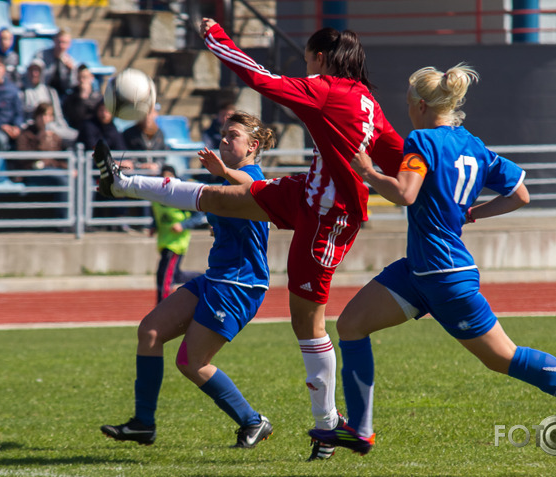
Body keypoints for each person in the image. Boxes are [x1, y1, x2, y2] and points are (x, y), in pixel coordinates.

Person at [95, 17, 405, 461]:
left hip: (327, 216)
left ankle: (328, 425)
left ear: (319, 58)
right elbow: (398, 152)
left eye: (307, 61)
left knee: (307, 324)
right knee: (221, 198)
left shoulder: (327, 90)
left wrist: (215, 38)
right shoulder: (365, 100)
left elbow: (261, 78)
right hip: (308, 191)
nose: (306, 69)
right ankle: (122, 183)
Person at [307, 64, 556, 455]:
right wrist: (473, 213)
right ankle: (359, 432)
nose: (408, 111)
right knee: (352, 325)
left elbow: (405, 194)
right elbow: (521, 195)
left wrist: (368, 171)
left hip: (444, 276)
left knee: (504, 358)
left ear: (422, 105)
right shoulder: (473, 145)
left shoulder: (421, 140)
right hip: (421, 270)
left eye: (410, 104)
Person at [99, 111, 276, 449]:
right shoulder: (227, 180)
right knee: (149, 332)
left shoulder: (250, 176)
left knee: (191, 363)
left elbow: (257, 191)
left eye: (233, 135)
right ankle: (143, 424)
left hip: (240, 286)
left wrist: (223, 172)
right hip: (216, 279)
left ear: (253, 145)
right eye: (222, 133)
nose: (224, 139)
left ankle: (254, 421)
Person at [150, 165, 205, 304]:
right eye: (163, 177)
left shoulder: (181, 196)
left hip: (177, 243)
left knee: (164, 276)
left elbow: (198, 216)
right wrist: (153, 227)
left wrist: (183, 225)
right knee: (175, 274)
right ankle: (203, 278)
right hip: (163, 241)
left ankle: (162, 306)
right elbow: (157, 216)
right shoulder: (156, 196)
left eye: (169, 177)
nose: (166, 180)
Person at [16, 102, 69, 220]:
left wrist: (68, 168)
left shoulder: (55, 137)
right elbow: (23, 157)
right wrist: (41, 139)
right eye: (43, 115)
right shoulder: (26, 134)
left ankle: (79, 220)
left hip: (53, 170)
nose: (46, 119)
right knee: (63, 180)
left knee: (77, 179)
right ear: (36, 117)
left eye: (49, 116)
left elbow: (58, 158)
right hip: (31, 171)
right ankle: (63, 220)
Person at [21, 58, 78, 147]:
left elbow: (58, 115)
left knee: (75, 136)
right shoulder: (22, 93)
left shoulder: (50, 92)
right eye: (31, 70)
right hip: (32, 128)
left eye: (37, 71)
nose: (34, 74)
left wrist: (62, 127)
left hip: (52, 126)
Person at [36, 29, 77, 101]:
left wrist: (70, 71)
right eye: (59, 42)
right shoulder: (42, 55)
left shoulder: (69, 61)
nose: (61, 46)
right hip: (43, 91)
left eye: (64, 43)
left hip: (61, 95)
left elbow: (71, 85)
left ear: (69, 44)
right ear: (54, 41)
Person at [62, 64, 103, 131]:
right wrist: (82, 97)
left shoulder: (98, 97)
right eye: (79, 77)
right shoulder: (71, 97)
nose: (82, 80)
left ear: (91, 78)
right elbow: (75, 118)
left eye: (85, 77)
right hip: (77, 131)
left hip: (94, 131)